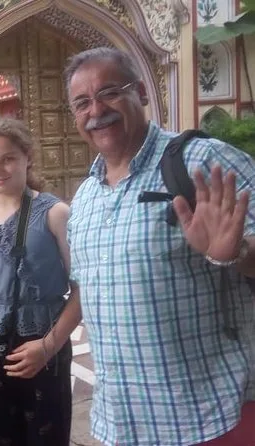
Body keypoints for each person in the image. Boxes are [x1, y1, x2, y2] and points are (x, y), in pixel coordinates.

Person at [65, 47, 255, 445]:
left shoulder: (201, 161)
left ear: (140, 92)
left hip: (213, 416)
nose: (96, 110)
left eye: (110, 92)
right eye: (82, 103)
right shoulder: (85, 198)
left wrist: (235, 253)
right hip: (123, 422)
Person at [0, 118, 81, 445]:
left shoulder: (54, 213)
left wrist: (48, 347)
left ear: (27, 157)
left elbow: (82, 289)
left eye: (8, 159)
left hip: (40, 342)